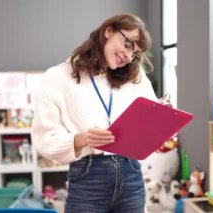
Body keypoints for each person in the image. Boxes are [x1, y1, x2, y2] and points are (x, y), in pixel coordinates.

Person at [31, 13, 158, 213]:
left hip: (130, 172)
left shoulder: (135, 76)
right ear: (109, 31)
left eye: (135, 53)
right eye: (127, 44)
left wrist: (157, 135)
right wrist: (82, 139)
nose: (128, 56)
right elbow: (43, 138)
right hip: (88, 175)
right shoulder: (58, 77)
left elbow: (153, 117)